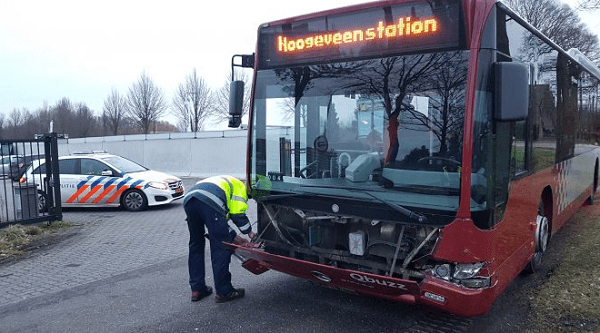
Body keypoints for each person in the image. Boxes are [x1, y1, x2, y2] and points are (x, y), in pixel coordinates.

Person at [183, 175, 256, 303]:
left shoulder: (226, 181)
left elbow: (219, 222)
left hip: (190, 199)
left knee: (196, 245)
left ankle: (197, 289)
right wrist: (250, 233)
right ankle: (224, 291)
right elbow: (237, 214)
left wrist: (232, 235)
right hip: (209, 201)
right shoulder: (240, 189)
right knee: (220, 249)